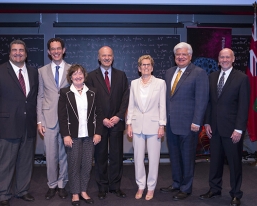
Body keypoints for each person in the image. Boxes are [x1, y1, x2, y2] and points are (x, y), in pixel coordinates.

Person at [0, 39, 38, 206]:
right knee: (6, 162)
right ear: (9, 53)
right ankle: (3, 194)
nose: (18, 53)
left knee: (25, 161)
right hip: (6, 124)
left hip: (28, 124)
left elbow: (33, 99)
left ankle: (22, 190)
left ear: (26, 53)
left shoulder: (33, 72)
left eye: (21, 50)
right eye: (14, 50)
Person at [199, 48, 250, 206]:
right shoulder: (212, 76)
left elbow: (243, 106)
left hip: (232, 130)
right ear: (218, 59)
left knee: (234, 163)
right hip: (214, 129)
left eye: (228, 57)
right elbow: (209, 102)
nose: (225, 59)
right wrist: (207, 122)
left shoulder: (242, 78)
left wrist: (239, 129)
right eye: (222, 57)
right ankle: (214, 189)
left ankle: (236, 193)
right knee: (215, 161)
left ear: (233, 59)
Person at [160, 42, 209, 201]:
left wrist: (197, 121)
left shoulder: (199, 73)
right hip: (171, 122)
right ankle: (176, 183)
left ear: (190, 56)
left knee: (187, 157)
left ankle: (186, 188)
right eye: (178, 55)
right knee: (174, 156)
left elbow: (202, 100)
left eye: (184, 54)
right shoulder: (169, 72)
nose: (180, 57)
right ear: (174, 57)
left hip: (189, 124)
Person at [85, 46, 129, 200]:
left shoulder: (121, 75)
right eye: (104, 55)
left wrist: (118, 116)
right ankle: (102, 187)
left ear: (113, 57)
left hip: (117, 122)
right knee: (100, 156)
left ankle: (115, 186)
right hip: (99, 123)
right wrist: (102, 117)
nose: (106, 58)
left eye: (109, 55)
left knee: (117, 156)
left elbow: (125, 98)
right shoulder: (90, 76)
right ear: (99, 57)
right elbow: (90, 100)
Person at [58, 64, 103, 206]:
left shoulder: (93, 92)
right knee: (74, 165)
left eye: (80, 73)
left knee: (87, 165)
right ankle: (75, 193)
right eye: (75, 74)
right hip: (73, 136)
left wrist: (98, 132)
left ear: (84, 76)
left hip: (89, 136)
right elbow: (62, 117)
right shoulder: (65, 93)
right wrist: (65, 135)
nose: (78, 76)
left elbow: (99, 113)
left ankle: (83, 190)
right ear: (70, 77)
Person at [126, 55, 166, 201]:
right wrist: (128, 124)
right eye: (143, 65)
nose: (146, 67)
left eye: (148, 64)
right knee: (138, 158)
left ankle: (151, 187)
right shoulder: (134, 83)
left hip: (154, 126)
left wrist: (162, 125)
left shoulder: (160, 83)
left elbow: (162, 105)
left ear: (152, 67)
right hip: (136, 125)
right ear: (139, 68)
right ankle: (141, 185)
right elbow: (131, 105)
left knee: (154, 159)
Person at [37, 38, 71, 200]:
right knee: (50, 155)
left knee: (64, 154)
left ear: (63, 50)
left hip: (67, 119)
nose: (56, 51)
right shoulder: (42, 71)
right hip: (48, 119)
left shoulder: (73, 70)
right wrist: (39, 121)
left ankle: (62, 184)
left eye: (59, 48)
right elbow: (40, 96)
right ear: (49, 52)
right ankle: (51, 185)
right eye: (53, 49)